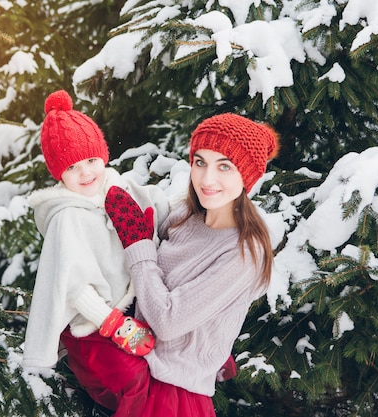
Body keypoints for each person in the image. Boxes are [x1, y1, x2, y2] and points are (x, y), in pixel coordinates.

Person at [65, 113, 278, 416]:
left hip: (169, 393)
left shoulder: (244, 253)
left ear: (247, 176)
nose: (207, 179)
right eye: (200, 162)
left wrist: (138, 247)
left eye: (225, 167)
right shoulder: (184, 216)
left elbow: (167, 321)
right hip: (132, 360)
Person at [21, 91, 170, 377]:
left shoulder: (118, 189)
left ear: (103, 156)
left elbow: (161, 206)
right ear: (59, 175)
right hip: (97, 324)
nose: (85, 173)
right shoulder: (66, 216)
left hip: (139, 304)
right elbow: (72, 286)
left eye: (90, 160)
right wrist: (112, 323)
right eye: (72, 167)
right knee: (132, 377)